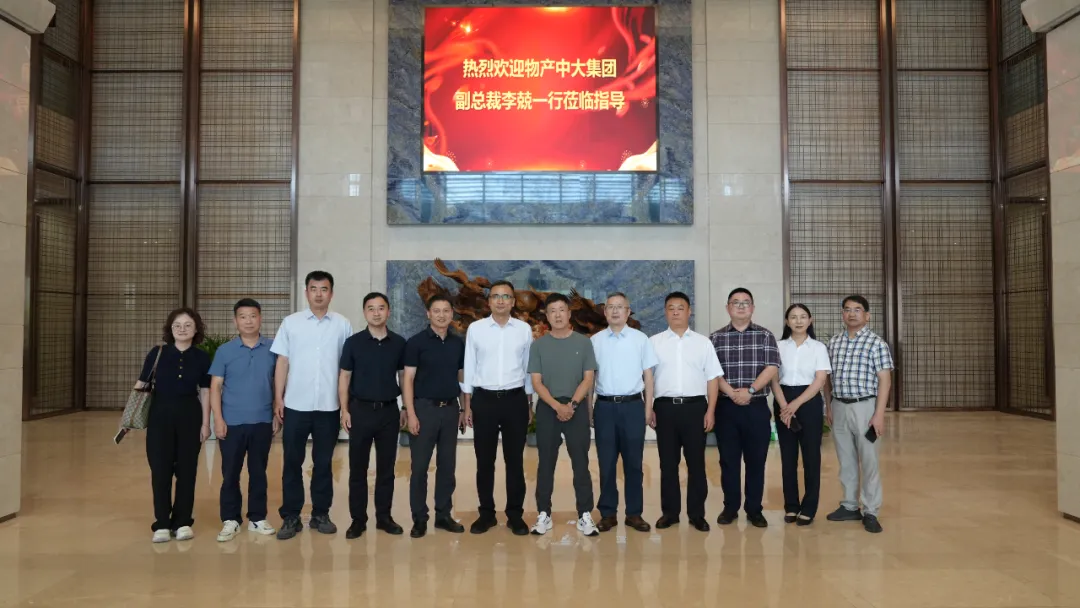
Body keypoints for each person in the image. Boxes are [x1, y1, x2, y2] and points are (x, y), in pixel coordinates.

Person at [271, 270, 353, 540]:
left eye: (324, 289)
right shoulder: (291, 323)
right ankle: (291, 516)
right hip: (296, 405)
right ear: (306, 292)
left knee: (324, 463)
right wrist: (279, 398)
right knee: (292, 462)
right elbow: (282, 362)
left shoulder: (342, 325)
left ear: (332, 293)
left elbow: (347, 369)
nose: (319, 294)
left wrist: (345, 405)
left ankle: (320, 513)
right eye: (314, 289)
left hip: (328, 406)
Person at [461, 279, 534, 536]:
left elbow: (528, 369)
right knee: (485, 461)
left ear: (513, 302)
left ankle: (515, 515)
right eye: (496, 296)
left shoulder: (524, 329)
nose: (501, 301)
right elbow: (469, 367)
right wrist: (467, 405)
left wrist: (529, 404)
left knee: (515, 461)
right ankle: (486, 514)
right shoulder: (476, 329)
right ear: (489, 301)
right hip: (484, 401)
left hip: (515, 400)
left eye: (506, 296)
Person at [648, 292, 723, 532]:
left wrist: (711, 411)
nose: (676, 312)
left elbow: (712, 379)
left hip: (695, 408)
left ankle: (697, 514)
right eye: (671, 308)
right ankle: (670, 513)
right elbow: (647, 379)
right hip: (664, 408)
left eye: (680, 308)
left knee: (696, 464)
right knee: (668, 464)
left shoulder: (703, 343)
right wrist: (649, 407)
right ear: (665, 312)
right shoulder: (654, 342)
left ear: (689, 312)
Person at [527, 293, 599, 537]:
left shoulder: (583, 343)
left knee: (581, 463)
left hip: (575, 408)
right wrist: (557, 406)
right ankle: (543, 514)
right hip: (548, 408)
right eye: (552, 311)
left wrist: (572, 405)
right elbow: (536, 382)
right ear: (547, 317)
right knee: (545, 463)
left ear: (569, 314)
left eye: (561, 310)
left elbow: (588, 378)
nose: (557, 315)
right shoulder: (538, 345)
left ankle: (585, 514)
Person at [137, 308, 211, 543]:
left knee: (187, 471)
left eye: (188, 325)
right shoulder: (157, 353)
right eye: (177, 325)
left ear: (196, 329)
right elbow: (142, 383)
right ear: (170, 329)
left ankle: (183, 522)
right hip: (159, 418)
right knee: (160, 470)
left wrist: (206, 424)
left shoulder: (202, 357)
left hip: (191, 417)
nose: (182, 329)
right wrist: (131, 414)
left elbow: (206, 391)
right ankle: (161, 522)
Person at [710, 288, 780, 528]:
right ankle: (730, 508)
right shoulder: (716, 338)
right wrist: (732, 393)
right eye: (736, 302)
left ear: (753, 307)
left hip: (756, 407)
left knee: (756, 461)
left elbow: (772, 367)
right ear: (728, 307)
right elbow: (712, 373)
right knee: (728, 461)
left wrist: (749, 391)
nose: (741, 306)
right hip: (726, 408)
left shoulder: (765, 335)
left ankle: (754, 509)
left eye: (745, 302)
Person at [210, 299, 279, 542]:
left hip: (262, 421)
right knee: (230, 473)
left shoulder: (273, 348)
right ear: (235, 321)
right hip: (232, 423)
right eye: (243, 316)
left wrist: (276, 414)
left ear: (260, 318)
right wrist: (218, 419)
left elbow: (278, 383)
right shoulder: (225, 351)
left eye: (253, 316)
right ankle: (230, 519)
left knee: (258, 472)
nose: (248, 321)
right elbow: (215, 387)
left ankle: (257, 518)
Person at [339, 292, 407, 538]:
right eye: (371, 308)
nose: (376, 313)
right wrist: (344, 410)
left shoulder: (399, 343)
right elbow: (344, 377)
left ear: (388, 311)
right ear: (364, 312)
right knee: (358, 469)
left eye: (381, 308)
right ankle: (358, 520)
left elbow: (404, 377)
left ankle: (384, 518)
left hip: (389, 412)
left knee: (386, 469)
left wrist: (405, 407)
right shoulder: (353, 343)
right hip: (360, 411)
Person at [824, 295, 894, 534]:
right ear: (842, 314)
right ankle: (849, 505)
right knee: (846, 459)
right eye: (847, 309)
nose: (851, 313)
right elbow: (827, 379)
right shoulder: (834, 343)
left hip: (865, 407)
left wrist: (879, 414)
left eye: (857, 309)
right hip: (839, 406)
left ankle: (871, 510)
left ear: (867, 315)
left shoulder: (876, 343)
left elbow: (885, 380)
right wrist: (828, 406)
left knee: (869, 460)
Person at [590, 291, 657, 533]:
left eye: (620, 307)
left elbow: (648, 378)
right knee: (606, 463)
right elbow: (590, 378)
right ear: (605, 312)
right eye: (611, 307)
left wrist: (648, 408)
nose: (615, 311)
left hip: (633, 407)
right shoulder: (595, 341)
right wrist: (589, 410)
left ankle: (634, 513)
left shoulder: (641, 339)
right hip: (604, 407)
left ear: (628, 312)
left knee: (634, 463)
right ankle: (608, 513)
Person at [402, 295, 467, 538]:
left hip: (450, 409)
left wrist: (464, 409)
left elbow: (462, 378)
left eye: (446, 310)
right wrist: (411, 413)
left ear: (452, 314)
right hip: (424, 410)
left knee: (447, 466)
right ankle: (419, 519)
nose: (441, 315)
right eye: (436, 311)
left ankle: (443, 515)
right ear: (428, 314)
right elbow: (408, 379)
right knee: (419, 467)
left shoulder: (457, 343)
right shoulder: (416, 343)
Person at [768, 303, 830, 526]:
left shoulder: (818, 348)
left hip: (809, 401)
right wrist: (785, 406)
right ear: (787, 321)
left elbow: (820, 380)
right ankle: (791, 506)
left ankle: (809, 508)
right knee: (788, 457)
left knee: (811, 457)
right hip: (783, 399)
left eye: (803, 317)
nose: (798, 321)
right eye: (793, 317)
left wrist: (795, 404)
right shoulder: (778, 346)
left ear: (810, 320)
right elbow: (774, 379)